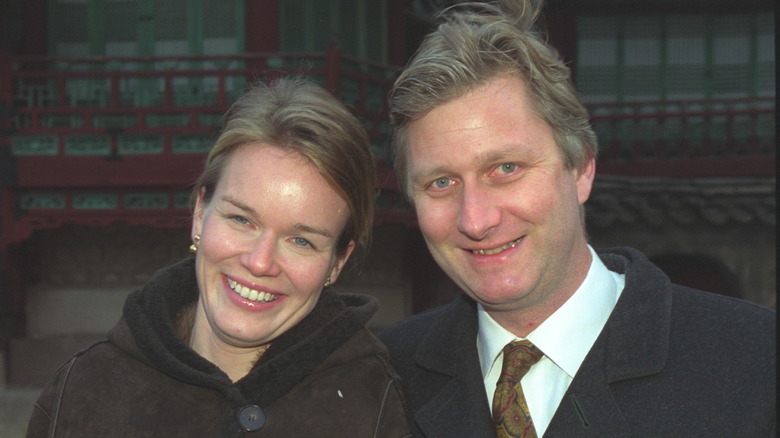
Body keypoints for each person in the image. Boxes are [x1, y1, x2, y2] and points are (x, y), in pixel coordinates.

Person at [378, 1, 776, 437]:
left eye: (506, 168)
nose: (475, 220)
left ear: (581, 168)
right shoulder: (383, 376)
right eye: (440, 183)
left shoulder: (756, 360)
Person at [27, 77, 411, 437]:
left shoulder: (374, 405)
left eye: (301, 241)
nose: (260, 262)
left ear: (338, 262)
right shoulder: (85, 389)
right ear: (199, 213)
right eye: (242, 219)